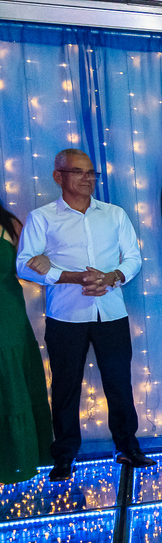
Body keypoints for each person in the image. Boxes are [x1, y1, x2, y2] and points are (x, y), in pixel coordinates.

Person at [15, 149, 156, 481]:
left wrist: (111, 277)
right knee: (65, 388)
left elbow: (133, 258)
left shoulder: (114, 214)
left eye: (91, 173)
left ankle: (128, 447)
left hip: (111, 313)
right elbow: (24, 265)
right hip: (66, 316)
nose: (87, 178)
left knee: (119, 383)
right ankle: (64, 456)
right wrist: (71, 277)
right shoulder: (42, 217)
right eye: (78, 172)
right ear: (58, 176)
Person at [0, 201, 52, 483]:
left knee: (11, 382)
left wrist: (43, 261)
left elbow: (28, 269)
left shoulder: (9, 224)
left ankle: (16, 459)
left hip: (6, 318)